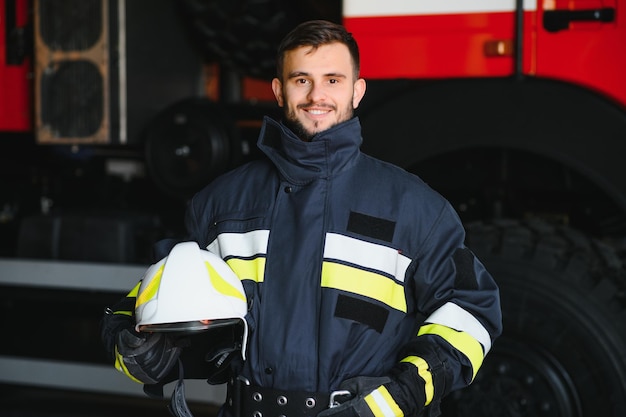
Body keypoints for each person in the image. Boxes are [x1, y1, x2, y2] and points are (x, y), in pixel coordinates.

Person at [101, 19, 502, 417]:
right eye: (301, 80)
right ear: (278, 91)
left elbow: (471, 309)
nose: (316, 96)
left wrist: (406, 393)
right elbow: (150, 300)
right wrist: (134, 345)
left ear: (357, 91)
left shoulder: (414, 207)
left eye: (332, 80)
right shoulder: (220, 204)